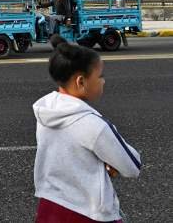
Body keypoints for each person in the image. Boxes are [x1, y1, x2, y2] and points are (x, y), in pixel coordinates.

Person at [33, 36, 141, 222]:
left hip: (50, 206)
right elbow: (132, 166)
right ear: (80, 82)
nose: (103, 81)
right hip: (87, 212)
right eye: (100, 76)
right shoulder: (94, 125)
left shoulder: (46, 111)